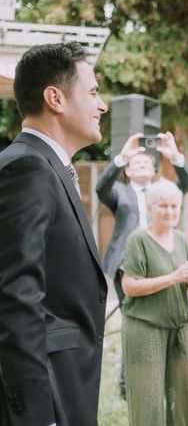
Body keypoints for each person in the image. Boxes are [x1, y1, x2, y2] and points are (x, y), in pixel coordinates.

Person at [0, 42, 108, 426]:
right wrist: (36, 415)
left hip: (68, 384)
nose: (103, 105)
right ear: (55, 98)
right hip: (49, 396)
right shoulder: (27, 167)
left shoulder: (50, 166)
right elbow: (16, 297)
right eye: (93, 92)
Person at [120, 179, 188, 426]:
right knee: (148, 399)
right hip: (145, 329)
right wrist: (174, 277)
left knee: (185, 393)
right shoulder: (138, 239)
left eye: (174, 206)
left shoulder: (181, 239)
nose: (169, 211)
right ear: (151, 208)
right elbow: (129, 286)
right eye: (163, 206)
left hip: (179, 328)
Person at [97, 132, 188, 292]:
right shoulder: (118, 191)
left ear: (153, 171)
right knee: (129, 305)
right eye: (137, 163)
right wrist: (123, 157)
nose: (142, 164)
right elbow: (101, 188)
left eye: (146, 163)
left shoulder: (165, 192)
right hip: (126, 257)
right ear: (127, 171)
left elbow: (187, 183)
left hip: (162, 254)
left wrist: (175, 156)